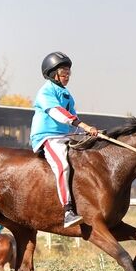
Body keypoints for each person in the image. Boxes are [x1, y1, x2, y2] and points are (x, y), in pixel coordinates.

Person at [30, 51, 100, 228]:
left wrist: (88, 131)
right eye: (63, 73)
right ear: (53, 74)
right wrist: (83, 126)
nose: (67, 76)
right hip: (47, 137)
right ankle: (68, 210)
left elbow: (73, 115)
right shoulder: (45, 92)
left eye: (69, 73)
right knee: (63, 165)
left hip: (64, 136)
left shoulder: (67, 93)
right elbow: (58, 113)